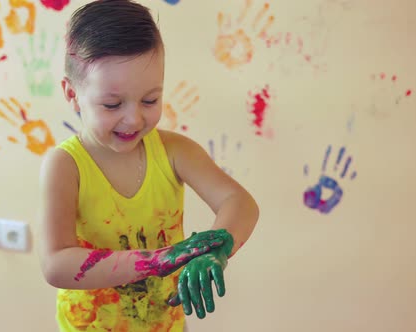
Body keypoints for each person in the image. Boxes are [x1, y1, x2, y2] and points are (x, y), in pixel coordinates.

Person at [37, 0, 260, 331]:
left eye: (150, 100)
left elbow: (239, 202)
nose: (134, 117)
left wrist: (218, 247)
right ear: (72, 95)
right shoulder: (65, 166)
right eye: (113, 104)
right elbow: (56, 264)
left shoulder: (174, 151)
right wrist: (159, 261)